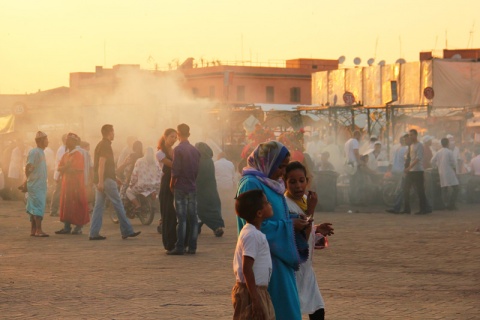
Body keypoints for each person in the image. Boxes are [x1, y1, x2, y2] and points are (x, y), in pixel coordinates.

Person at [236, 141, 308, 320]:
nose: (282, 173)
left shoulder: (271, 183)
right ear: (268, 162)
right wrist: (290, 226)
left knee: (288, 308)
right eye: (280, 167)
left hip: (279, 257)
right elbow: (256, 222)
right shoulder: (251, 183)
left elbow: (275, 218)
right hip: (264, 258)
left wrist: (294, 221)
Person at [284, 161, 334, 320]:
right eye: (292, 182)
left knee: (318, 310)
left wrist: (317, 229)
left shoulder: (305, 200)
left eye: (301, 180)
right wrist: (310, 212)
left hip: (306, 269)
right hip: (293, 268)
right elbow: (298, 240)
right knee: (292, 311)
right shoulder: (285, 205)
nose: (298, 186)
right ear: (285, 183)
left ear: (307, 181)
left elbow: (306, 230)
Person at [89, 124, 141, 240]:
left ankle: (93, 233)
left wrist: (109, 178)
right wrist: (103, 181)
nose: (114, 134)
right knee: (118, 204)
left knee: (98, 207)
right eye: (113, 132)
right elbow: (102, 164)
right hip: (105, 180)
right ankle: (127, 230)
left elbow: (104, 166)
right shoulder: (106, 145)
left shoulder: (100, 145)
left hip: (103, 180)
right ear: (109, 133)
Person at [232, 190, 275, 320]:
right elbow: (247, 268)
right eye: (267, 203)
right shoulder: (252, 235)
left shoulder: (252, 233)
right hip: (251, 292)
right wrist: (255, 300)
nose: (270, 204)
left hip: (257, 290)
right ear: (259, 213)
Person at [167, 123, 201, 255]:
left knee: (181, 219)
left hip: (181, 187)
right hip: (192, 187)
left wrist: (171, 184)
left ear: (178, 134)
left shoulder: (178, 150)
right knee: (193, 218)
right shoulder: (195, 150)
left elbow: (175, 171)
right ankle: (192, 247)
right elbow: (197, 170)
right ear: (189, 134)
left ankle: (180, 246)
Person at [55, 133, 90, 235]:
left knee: (77, 205)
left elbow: (76, 170)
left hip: (76, 185)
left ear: (74, 142)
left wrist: (65, 168)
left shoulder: (78, 155)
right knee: (67, 205)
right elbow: (59, 168)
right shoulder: (66, 155)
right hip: (67, 184)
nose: (67, 142)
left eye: (69, 140)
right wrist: (66, 167)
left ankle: (78, 227)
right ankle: (67, 226)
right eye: (66, 140)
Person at [195, 142, 225, 237]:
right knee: (213, 208)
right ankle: (215, 226)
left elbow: (198, 177)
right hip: (211, 188)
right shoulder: (210, 160)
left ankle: (211, 227)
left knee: (201, 209)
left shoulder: (198, 161)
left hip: (201, 189)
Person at [156, 128, 178, 249]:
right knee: (168, 213)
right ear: (165, 136)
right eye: (171, 137)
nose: (174, 139)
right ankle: (169, 243)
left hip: (175, 183)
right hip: (166, 184)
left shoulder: (174, 151)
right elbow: (173, 165)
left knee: (174, 215)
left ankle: (174, 240)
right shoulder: (160, 153)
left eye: (175, 137)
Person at [25, 131, 50, 237]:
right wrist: (27, 180)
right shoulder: (35, 152)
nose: (47, 141)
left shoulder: (41, 152)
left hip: (39, 184)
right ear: (40, 141)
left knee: (34, 206)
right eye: (46, 139)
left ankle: (33, 230)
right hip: (36, 184)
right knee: (38, 206)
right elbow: (29, 167)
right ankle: (38, 230)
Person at [403, 129, 428, 215]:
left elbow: (418, 158)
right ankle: (407, 209)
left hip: (418, 170)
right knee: (406, 189)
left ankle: (423, 209)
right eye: (409, 135)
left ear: (416, 135)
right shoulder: (411, 146)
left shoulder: (419, 145)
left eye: (411, 135)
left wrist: (409, 167)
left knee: (420, 190)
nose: (410, 137)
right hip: (411, 171)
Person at [431, 138, 460, 210]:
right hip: (449, 172)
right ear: (447, 144)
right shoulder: (449, 152)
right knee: (456, 188)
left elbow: (432, 161)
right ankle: (451, 204)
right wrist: (455, 171)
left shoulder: (438, 152)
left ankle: (445, 205)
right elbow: (453, 163)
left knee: (444, 189)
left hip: (441, 172)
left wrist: (436, 166)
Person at [344, 131, 363, 205]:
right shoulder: (355, 141)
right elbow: (356, 152)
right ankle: (355, 200)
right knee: (356, 182)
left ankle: (351, 200)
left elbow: (345, 154)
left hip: (348, 164)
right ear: (357, 135)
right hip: (353, 164)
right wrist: (359, 161)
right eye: (360, 136)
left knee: (351, 182)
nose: (360, 138)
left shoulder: (347, 142)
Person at [50, 134, 67, 217]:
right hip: (60, 174)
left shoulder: (66, 149)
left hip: (63, 174)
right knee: (57, 192)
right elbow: (61, 163)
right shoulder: (62, 149)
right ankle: (53, 210)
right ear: (64, 140)